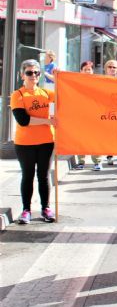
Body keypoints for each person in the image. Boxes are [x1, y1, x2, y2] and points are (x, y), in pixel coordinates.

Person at [10, 59, 56, 224]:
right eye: (29, 72)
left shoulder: (47, 94)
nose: (33, 76)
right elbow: (23, 120)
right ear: (22, 75)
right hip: (24, 144)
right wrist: (47, 121)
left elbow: (65, 99)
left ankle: (46, 208)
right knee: (27, 175)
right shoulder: (18, 95)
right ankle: (26, 210)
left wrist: (59, 79)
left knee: (43, 176)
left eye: (37, 72)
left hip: (46, 141)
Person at [75, 61, 103, 171]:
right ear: (80, 71)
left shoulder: (97, 82)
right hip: (80, 115)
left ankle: (97, 162)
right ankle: (81, 161)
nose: (87, 71)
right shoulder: (75, 82)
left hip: (94, 115)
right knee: (80, 139)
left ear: (92, 71)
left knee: (95, 139)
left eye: (89, 69)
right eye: (85, 69)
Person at [104, 60, 117, 166]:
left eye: (114, 67)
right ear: (106, 69)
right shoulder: (100, 80)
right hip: (106, 111)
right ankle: (109, 155)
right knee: (109, 134)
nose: (112, 69)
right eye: (110, 67)